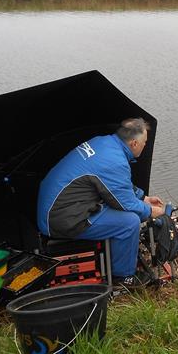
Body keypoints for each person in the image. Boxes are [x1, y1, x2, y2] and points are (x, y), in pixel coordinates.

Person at [36, 118, 164, 285]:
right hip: (63, 219)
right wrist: (152, 211)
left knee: (126, 212)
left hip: (63, 208)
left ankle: (118, 260)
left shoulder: (103, 143)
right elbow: (126, 204)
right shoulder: (114, 161)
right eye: (144, 142)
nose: (145, 145)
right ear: (134, 143)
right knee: (130, 222)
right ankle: (123, 277)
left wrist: (143, 198)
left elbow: (116, 184)